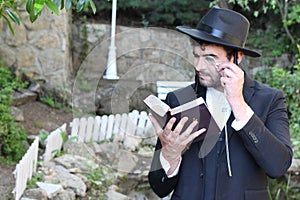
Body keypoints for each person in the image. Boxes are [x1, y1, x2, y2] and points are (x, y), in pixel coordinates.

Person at [148, 7, 293, 200]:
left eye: (210, 58)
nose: (199, 66)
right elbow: (159, 187)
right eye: (196, 55)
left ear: (237, 57)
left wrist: (239, 104)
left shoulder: (270, 100)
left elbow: (278, 166)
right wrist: (169, 155)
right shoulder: (178, 100)